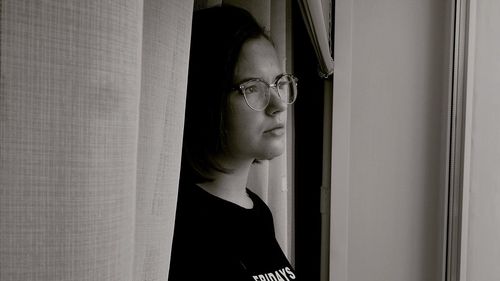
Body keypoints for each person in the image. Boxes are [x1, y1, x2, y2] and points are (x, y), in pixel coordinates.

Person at [168, 5, 298, 281]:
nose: (278, 105)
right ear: (207, 101)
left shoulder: (259, 212)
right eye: (252, 87)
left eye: (278, 83)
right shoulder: (183, 226)